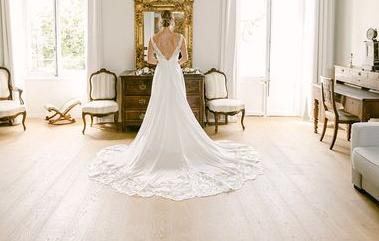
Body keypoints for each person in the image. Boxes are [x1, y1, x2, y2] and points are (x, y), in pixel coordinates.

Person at [88, 11, 262, 201]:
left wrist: (163, 61)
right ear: (171, 21)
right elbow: (185, 58)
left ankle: (160, 145)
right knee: (178, 106)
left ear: (159, 22)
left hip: (162, 74)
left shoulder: (153, 38)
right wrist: (173, 62)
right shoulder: (180, 37)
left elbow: (149, 60)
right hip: (174, 73)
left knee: (159, 106)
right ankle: (178, 145)